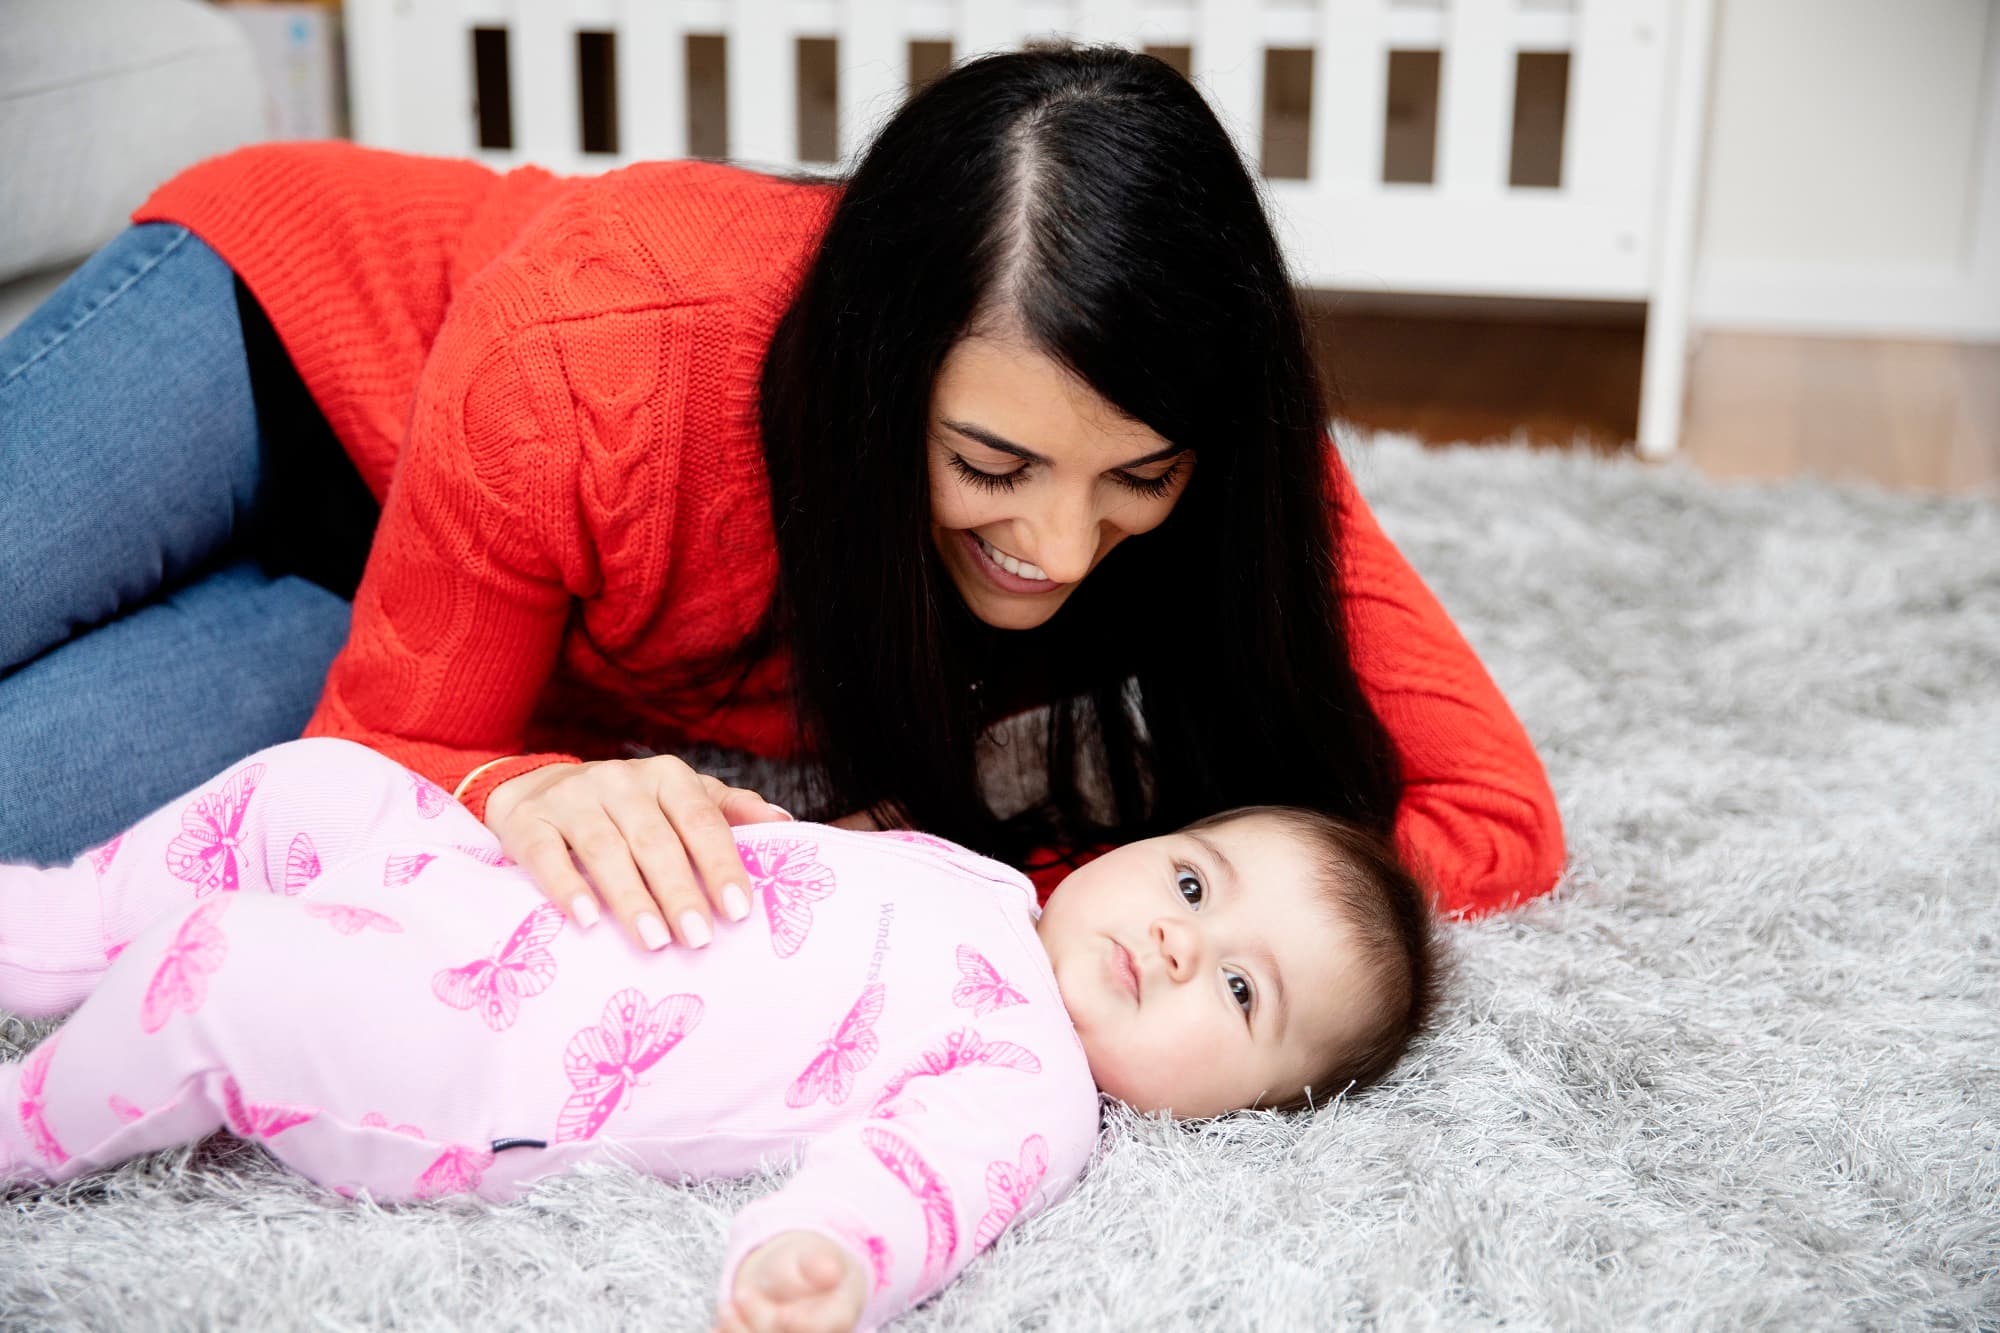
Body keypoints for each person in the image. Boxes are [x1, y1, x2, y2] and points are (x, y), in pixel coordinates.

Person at [0, 44, 1563, 956]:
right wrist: (513, 790)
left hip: (391, 609)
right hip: (287, 343)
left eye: (1135, 481)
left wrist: (1084, 912)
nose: (1061, 548)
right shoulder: (602, 342)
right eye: (991, 464)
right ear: (879, 374)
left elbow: (1498, 821)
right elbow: (385, 770)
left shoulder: (1217, 439)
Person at [0, 737, 1437, 1333]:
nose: (1184, 936)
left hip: (479, 1044)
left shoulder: (1033, 1086)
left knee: (230, 975)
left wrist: (822, 1261)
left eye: (1242, 994)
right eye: (1193, 878)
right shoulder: (989, 884)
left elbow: (922, 1185)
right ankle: (54, 925)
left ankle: (25, 1126)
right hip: (484, 882)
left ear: (1250, 1108)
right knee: (313, 785)